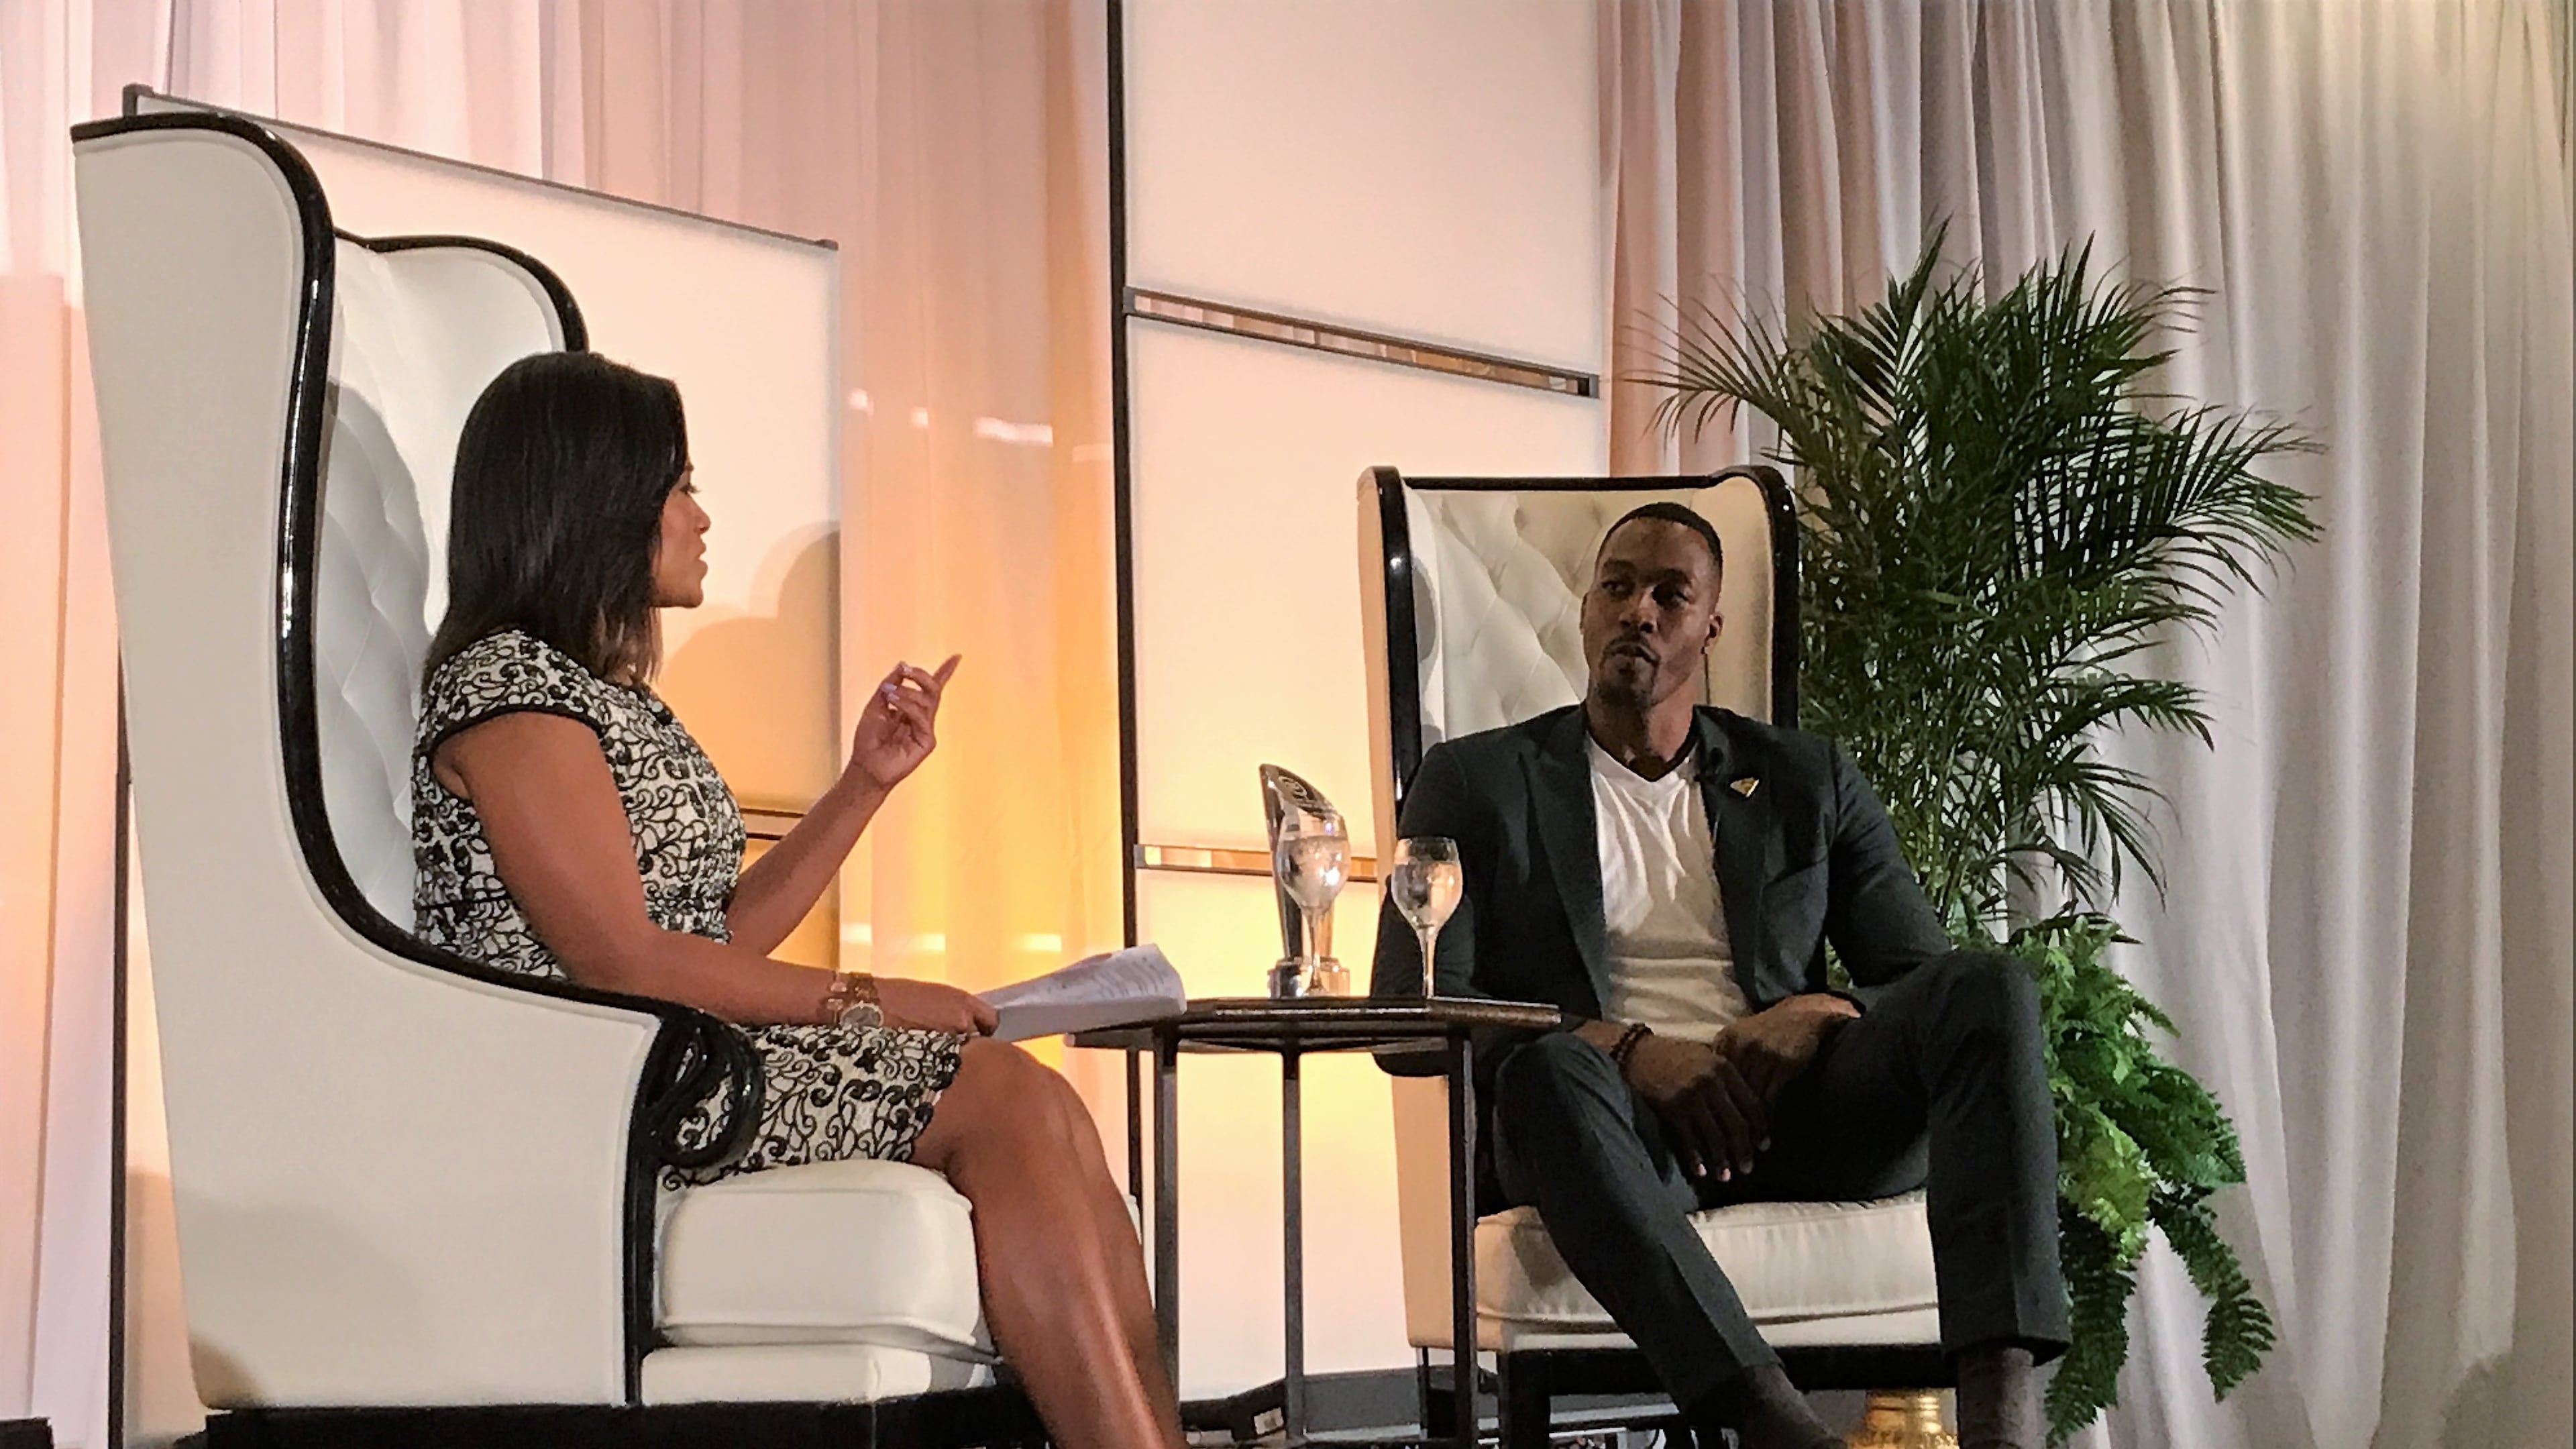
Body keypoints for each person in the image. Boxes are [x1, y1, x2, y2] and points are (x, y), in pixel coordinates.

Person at [411, 352, 1181, 1449]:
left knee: (1044, 1106)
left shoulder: (603, 695)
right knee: (1006, 1098)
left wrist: (863, 784)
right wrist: (877, 997)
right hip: (614, 1094)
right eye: (678, 487)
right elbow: (622, 962)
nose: (701, 515)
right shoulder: (510, 695)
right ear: (598, 500)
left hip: (679, 1059)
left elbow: (705, 935)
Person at [1371, 502, 2066, 1449]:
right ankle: (1774, 1426)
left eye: (1670, 594)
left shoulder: (1804, 778)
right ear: (1584, 610)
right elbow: (1412, 1012)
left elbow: (1918, 973)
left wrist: (1821, 1010)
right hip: (1616, 1141)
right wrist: (1627, 1052)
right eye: (1617, 586)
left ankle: (2004, 1420)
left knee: (1990, 988)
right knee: (1546, 1073)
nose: (1639, 613)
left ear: (1711, 627)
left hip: (1798, 1111)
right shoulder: (1478, 781)